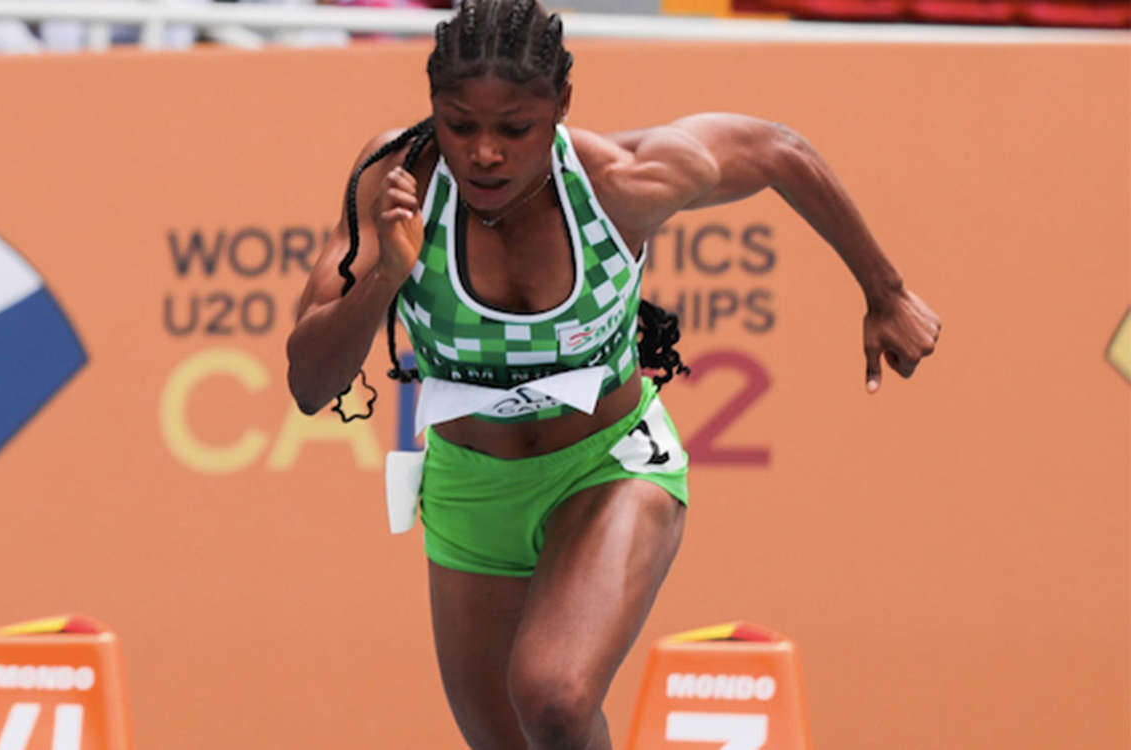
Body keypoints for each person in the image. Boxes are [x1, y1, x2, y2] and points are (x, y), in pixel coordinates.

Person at [286, 2, 941, 748]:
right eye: (459, 125)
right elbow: (310, 385)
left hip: (608, 467)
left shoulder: (621, 182)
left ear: (561, 105)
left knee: (554, 699)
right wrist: (384, 278)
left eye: (515, 129)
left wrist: (886, 292)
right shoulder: (395, 180)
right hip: (470, 490)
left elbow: (777, 150)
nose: (485, 153)